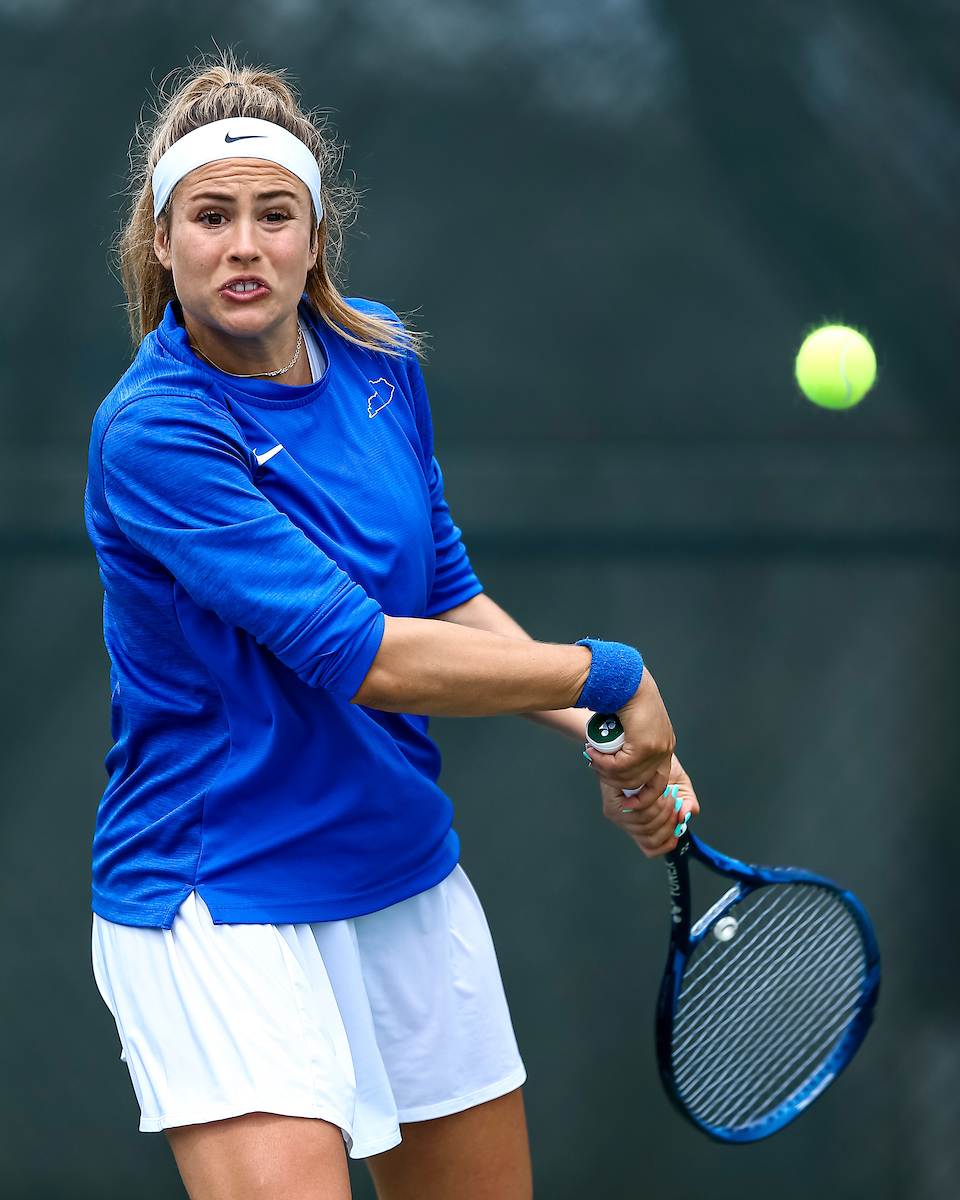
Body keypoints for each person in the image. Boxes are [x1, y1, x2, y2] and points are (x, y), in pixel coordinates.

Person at [85, 57, 700, 1200]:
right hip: (220, 898)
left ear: (317, 236)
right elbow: (361, 655)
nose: (244, 246)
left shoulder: (377, 358)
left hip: (400, 868)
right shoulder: (155, 432)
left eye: (275, 215)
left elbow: (444, 591)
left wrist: (601, 734)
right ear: (161, 240)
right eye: (210, 217)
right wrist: (608, 675)